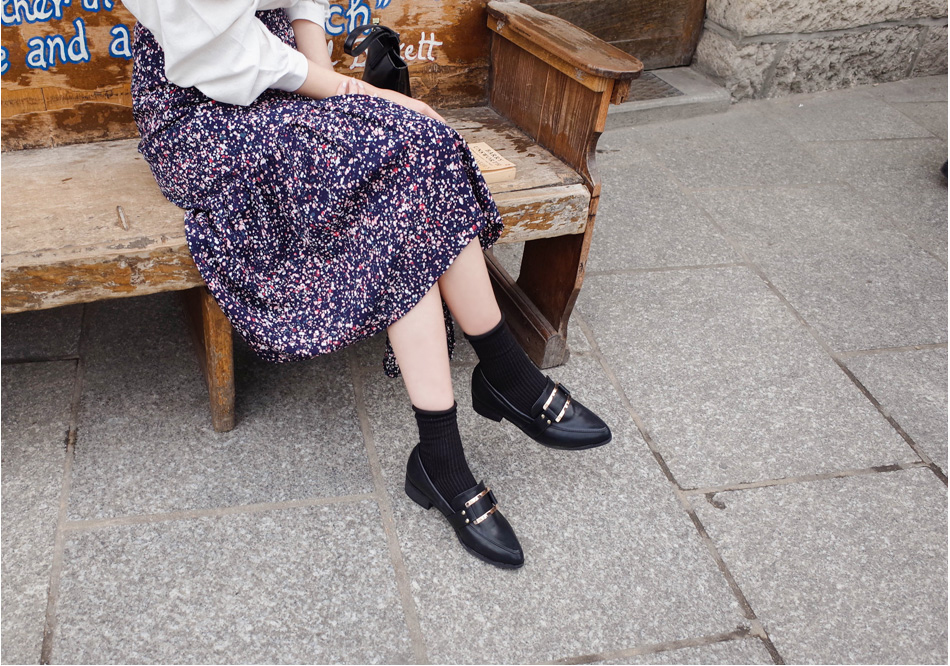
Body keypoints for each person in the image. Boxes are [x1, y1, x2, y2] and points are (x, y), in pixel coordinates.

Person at [121, 0, 611, 569]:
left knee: (419, 144)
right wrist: (349, 92)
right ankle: (490, 396)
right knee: (400, 159)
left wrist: (330, 94)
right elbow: (221, 49)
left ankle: (465, 423)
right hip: (203, 111)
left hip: (284, 83)